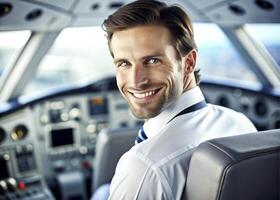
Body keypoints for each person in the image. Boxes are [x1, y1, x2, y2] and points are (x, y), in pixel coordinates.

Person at [92, 0, 257, 199]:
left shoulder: (144, 166)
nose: (136, 81)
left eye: (152, 61)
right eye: (124, 63)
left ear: (188, 62)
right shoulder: (240, 122)